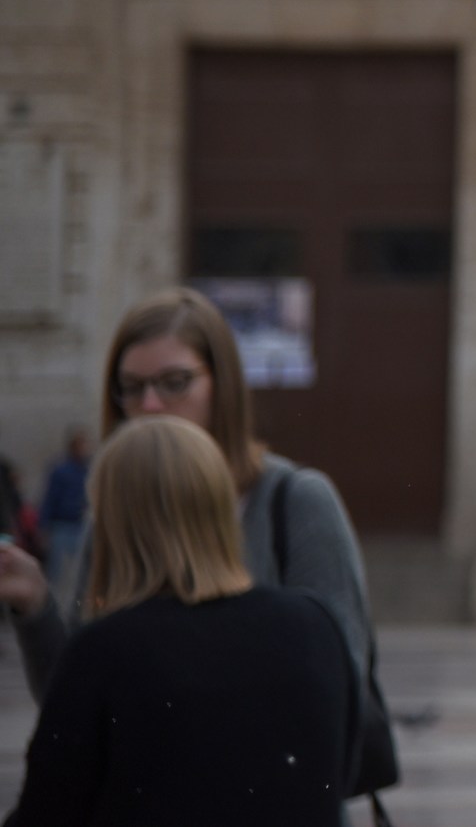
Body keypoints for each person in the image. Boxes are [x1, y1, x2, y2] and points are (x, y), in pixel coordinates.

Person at [0, 290, 377, 717]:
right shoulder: (112, 513)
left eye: (174, 382)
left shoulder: (295, 500)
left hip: (264, 776)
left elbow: (342, 677)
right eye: (132, 388)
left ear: (223, 384)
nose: (151, 405)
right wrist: (33, 605)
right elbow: (72, 702)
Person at [3, 415, 359, 827]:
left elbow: (50, 810)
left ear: (114, 522)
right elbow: (335, 772)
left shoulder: (107, 650)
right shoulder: (316, 626)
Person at [37, 428, 91, 593]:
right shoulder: (61, 470)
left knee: (83, 570)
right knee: (56, 569)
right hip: (62, 524)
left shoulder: (87, 470)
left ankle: (80, 604)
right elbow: (50, 498)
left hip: (81, 524)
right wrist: (43, 527)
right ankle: (50, 600)